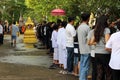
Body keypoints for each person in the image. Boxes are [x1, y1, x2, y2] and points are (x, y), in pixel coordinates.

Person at [90, 15, 112, 80]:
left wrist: (98, 43)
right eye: (107, 20)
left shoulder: (96, 29)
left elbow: (91, 42)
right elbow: (107, 43)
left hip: (96, 53)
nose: (108, 21)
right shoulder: (106, 30)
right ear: (105, 21)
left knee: (100, 72)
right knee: (108, 72)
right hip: (105, 54)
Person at [77, 13, 91, 80]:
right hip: (87, 49)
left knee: (82, 65)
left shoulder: (79, 27)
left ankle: (81, 78)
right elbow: (89, 39)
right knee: (85, 66)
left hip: (81, 49)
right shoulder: (87, 27)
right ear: (88, 18)